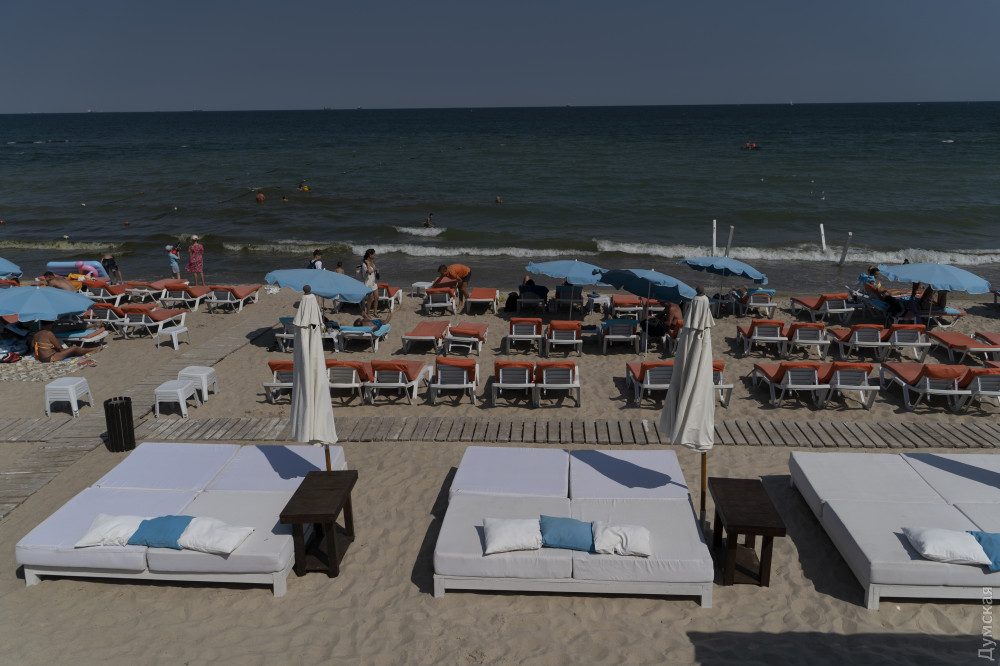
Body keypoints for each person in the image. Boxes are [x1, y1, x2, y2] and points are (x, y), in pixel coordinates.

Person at [31, 322, 98, 363]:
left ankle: (90, 350)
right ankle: (93, 350)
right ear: (50, 325)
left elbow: (32, 345)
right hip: (50, 358)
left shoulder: (36, 333)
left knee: (68, 351)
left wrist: (46, 346)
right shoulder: (48, 333)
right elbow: (59, 346)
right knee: (74, 348)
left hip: (41, 358)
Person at [360, 249, 379, 316]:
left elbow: (374, 269)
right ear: (370, 255)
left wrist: (376, 270)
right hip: (368, 284)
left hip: (373, 283)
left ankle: (375, 313)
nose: (374, 256)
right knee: (371, 299)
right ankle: (368, 314)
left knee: (376, 298)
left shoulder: (372, 262)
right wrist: (368, 263)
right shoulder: (364, 264)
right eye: (373, 254)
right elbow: (369, 271)